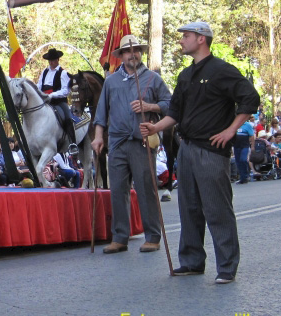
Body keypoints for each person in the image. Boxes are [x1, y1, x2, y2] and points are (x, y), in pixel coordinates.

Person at [141, 21, 259, 284]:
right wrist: (154, 127)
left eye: (186, 36)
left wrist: (231, 130)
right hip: (187, 149)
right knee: (189, 208)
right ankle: (192, 261)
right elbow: (176, 113)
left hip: (211, 150)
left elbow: (250, 98)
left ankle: (227, 267)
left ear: (201, 39)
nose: (181, 41)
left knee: (217, 210)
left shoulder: (222, 70)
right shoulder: (185, 75)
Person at [92, 34, 172, 255]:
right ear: (121, 56)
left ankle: (153, 236)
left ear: (141, 53)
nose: (132, 54)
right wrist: (98, 137)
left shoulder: (153, 78)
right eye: (128, 51)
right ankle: (120, 237)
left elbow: (170, 104)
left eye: (136, 50)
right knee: (117, 190)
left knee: (146, 189)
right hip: (116, 142)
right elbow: (101, 114)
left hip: (143, 142)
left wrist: (150, 106)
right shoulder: (110, 81)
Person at [37, 48, 77, 152]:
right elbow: (39, 85)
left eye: (53, 60)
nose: (51, 62)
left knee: (68, 118)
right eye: (49, 60)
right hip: (45, 101)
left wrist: (52, 95)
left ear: (57, 60)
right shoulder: (44, 72)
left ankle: (73, 144)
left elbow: (65, 90)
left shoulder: (63, 73)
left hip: (59, 101)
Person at [233, 117, 255, 184]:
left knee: (243, 159)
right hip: (236, 145)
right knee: (238, 162)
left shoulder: (247, 125)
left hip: (244, 145)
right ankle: (242, 178)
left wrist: (252, 146)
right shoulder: (235, 124)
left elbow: (252, 136)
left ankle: (246, 174)